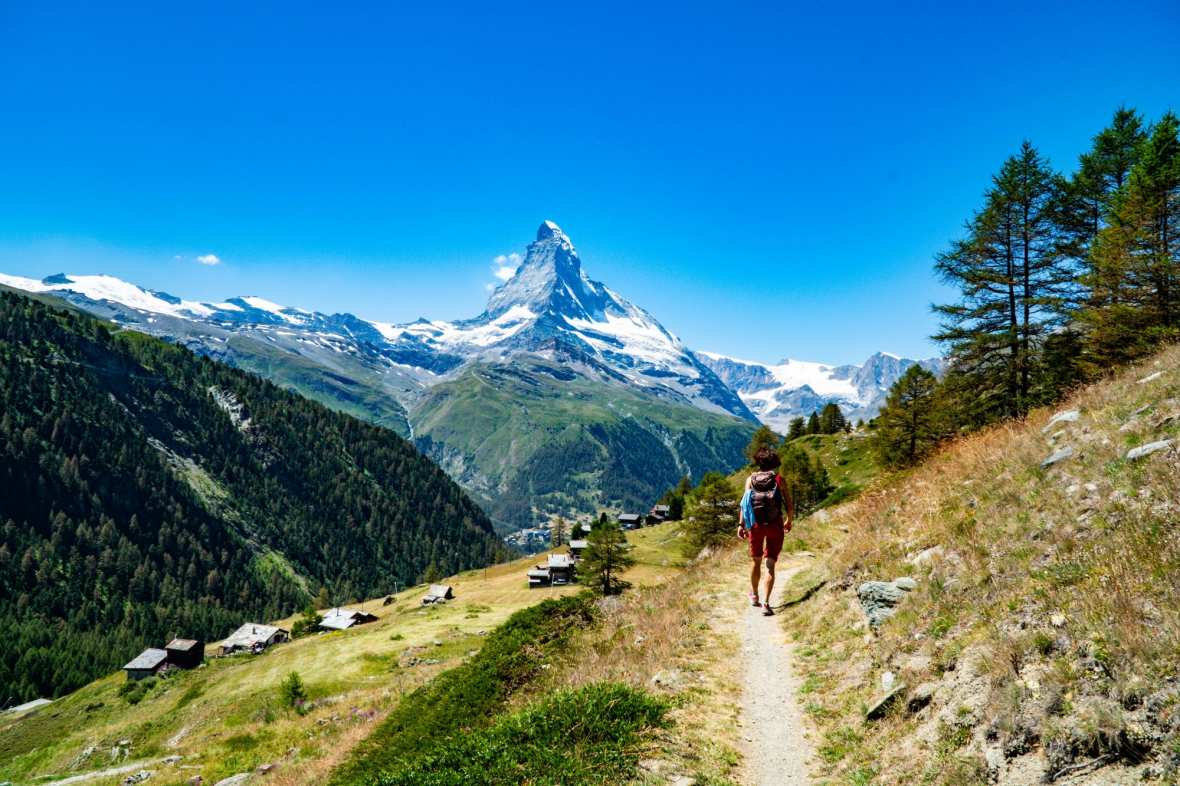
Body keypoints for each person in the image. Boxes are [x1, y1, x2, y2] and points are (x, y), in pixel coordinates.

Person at [736, 447, 794, 616]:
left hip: (756, 525)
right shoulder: (779, 479)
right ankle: (767, 604)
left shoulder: (750, 480)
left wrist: (741, 525)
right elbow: (789, 504)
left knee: (756, 560)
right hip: (775, 524)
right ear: (774, 463)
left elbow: (744, 504)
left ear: (758, 462)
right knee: (770, 564)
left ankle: (754, 595)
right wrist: (789, 520)